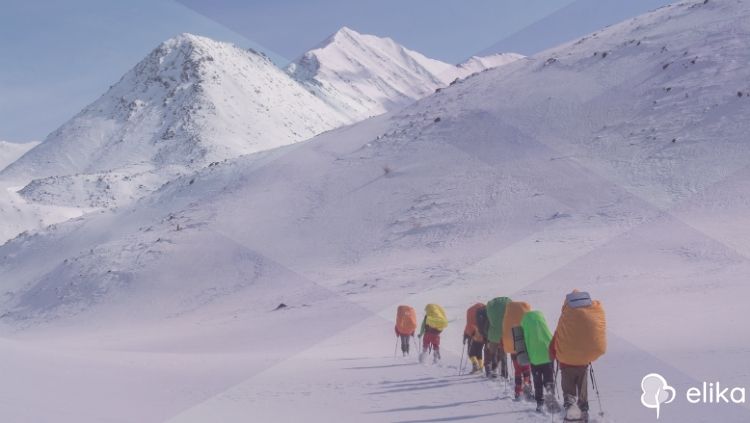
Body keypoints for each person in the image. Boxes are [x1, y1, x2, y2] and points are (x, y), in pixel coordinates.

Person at [549, 291, 607, 423]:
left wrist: (553, 358)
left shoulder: (564, 323)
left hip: (566, 365)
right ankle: (584, 413)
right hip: (582, 365)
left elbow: (553, 345)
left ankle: (572, 415)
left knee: (569, 393)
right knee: (582, 392)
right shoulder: (584, 326)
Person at [521, 310, 560, 413]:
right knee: (548, 378)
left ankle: (539, 403)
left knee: (537, 381)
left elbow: (523, 343)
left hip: (535, 358)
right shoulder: (542, 323)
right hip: (547, 354)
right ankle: (549, 392)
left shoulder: (525, 326)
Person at [484, 297, 510, 379]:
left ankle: (494, 369)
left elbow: (486, 326)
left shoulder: (491, 312)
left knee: (493, 353)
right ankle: (504, 371)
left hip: (493, 334)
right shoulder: (506, 309)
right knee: (503, 353)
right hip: (505, 333)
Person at [463, 303, 485, 373]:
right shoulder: (484, 312)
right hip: (482, 336)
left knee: (471, 353)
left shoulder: (470, 312)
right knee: (479, 353)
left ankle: (475, 366)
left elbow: (468, 325)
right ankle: (481, 368)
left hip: (473, 335)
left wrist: (465, 335)